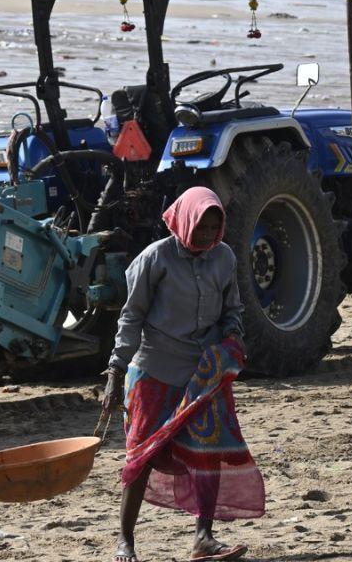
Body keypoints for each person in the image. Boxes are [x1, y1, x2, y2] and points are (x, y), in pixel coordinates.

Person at [102, 187, 265, 562]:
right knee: (141, 454)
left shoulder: (223, 258)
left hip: (203, 374)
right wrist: (115, 368)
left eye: (214, 227)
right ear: (185, 220)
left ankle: (203, 537)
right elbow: (131, 317)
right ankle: (125, 541)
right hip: (154, 371)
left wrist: (233, 335)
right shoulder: (155, 259)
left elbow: (232, 308)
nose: (207, 235)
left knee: (208, 453)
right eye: (202, 226)